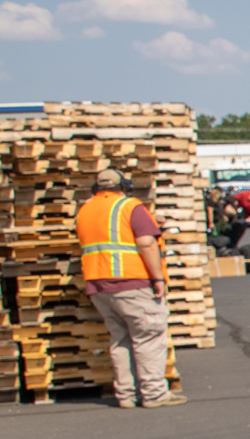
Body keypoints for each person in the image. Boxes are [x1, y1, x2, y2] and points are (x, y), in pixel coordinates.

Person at [77, 169, 184, 407]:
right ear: (125, 185)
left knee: (120, 339)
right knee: (148, 336)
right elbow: (146, 243)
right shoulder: (130, 206)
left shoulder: (86, 209)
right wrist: (158, 278)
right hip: (132, 282)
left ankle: (126, 395)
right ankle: (154, 393)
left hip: (98, 284)